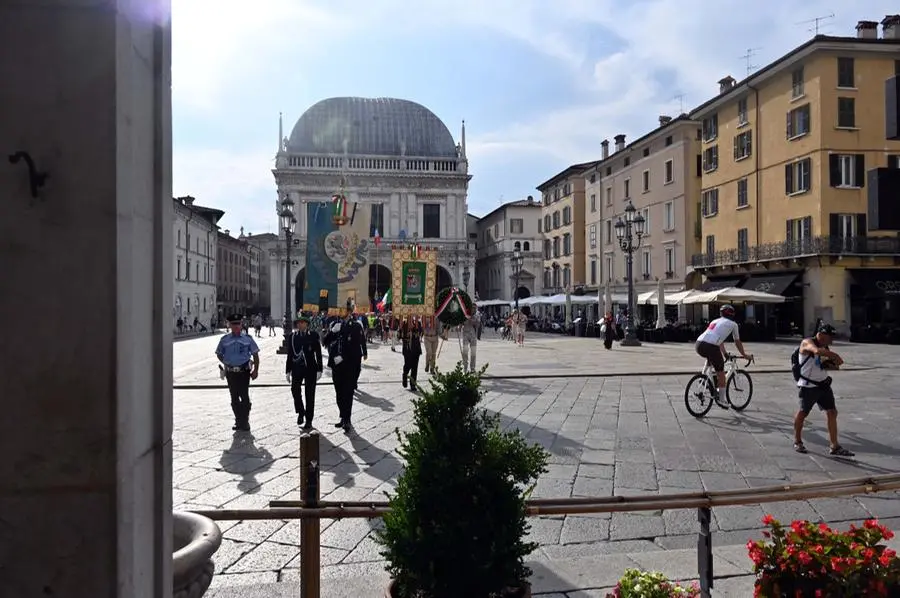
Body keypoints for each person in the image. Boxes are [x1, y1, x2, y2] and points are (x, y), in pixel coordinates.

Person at [793, 323, 854, 456]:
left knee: (832, 412)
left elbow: (824, 364)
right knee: (803, 413)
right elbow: (816, 351)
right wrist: (835, 356)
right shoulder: (807, 342)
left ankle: (834, 446)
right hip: (808, 386)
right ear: (820, 335)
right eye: (829, 337)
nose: (832, 340)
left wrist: (834, 364)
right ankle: (797, 441)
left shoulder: (825, 346)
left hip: (823, 385)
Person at [694, 305, 752, 409]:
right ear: (732, 314)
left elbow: (719, 340)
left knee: (710, 358)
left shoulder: (715, 321)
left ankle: (703, 379)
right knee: (721, 373)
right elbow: (737, 341)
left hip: (699, 344)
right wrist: (744, 355)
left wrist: (725, 353)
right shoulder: (733, 324)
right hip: (711, 345)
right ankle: (721, 400)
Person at [215, 314, 260, 431]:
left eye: (238, 324)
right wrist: (226, 362)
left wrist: (256, 370)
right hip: (231, 372)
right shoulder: (224, 340)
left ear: (241, 324)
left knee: (244, 396)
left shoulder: (247, 339)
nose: (236, 326)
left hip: (244, 371)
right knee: (234, 397)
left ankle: (245, 420)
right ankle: (238, 420)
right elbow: (219, 353)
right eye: (233, 324)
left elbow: (255, 354)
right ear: (229, 325)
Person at [323, 313, 367, 431]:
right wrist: (332, 331)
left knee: (348, 393)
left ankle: (347, 419)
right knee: (339, 394)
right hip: (336, 366)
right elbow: (325, 342)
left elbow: (356, 346)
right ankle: (343, 416)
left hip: (350, 365)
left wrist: (343, 356)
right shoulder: (334, 324)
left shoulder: (356, 326)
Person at [284, 315, 323, 430]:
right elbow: (290, 354)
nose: (300, 325)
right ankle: (301, 411)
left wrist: (320, 369)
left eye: (302, 323)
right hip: (297, 368)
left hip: (310, 368)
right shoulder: (292, 336)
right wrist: (288, 370)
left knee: (310, 395)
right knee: (295, 391)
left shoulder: (313, 335)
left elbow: (318, 353)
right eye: (298, 323)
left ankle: (309, 419)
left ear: (307, 324)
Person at [400, 318, 423, 391]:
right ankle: (405, 375)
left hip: (416, 349)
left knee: (414, 368)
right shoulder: (404, 323)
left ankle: (413, 384)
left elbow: (420, 332)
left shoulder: (418, 323)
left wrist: (415, 327)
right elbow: (400, 335)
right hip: (407, 349)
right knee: (407, 365)